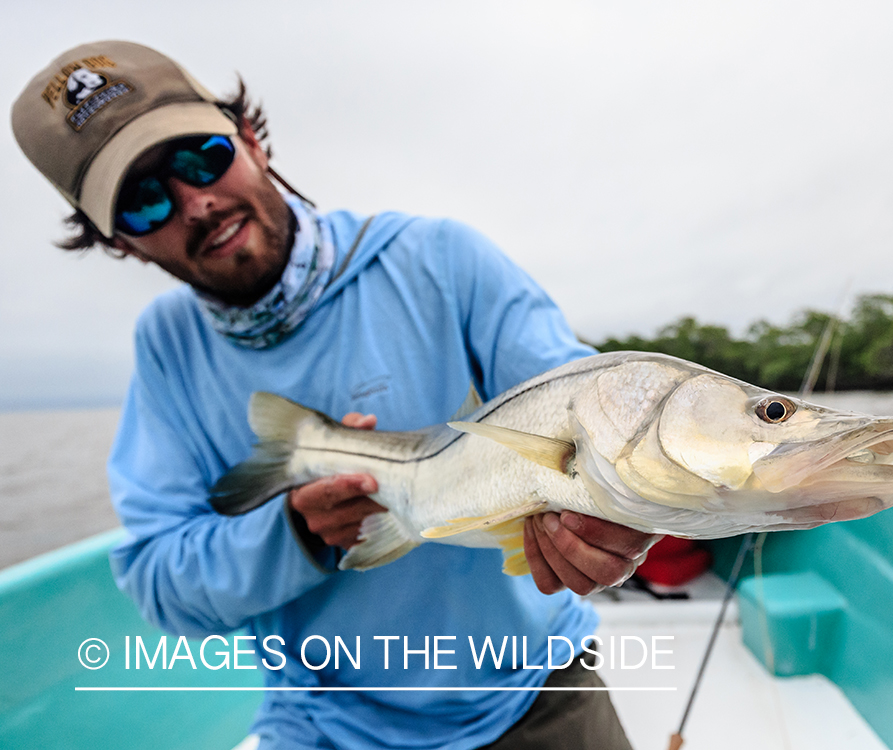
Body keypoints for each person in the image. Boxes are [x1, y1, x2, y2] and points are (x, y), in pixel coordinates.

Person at [12, 41, 659, 750]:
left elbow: (588, 420)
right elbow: (162, 586)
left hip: (535, 694)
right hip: (327, 727)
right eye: (143, 201)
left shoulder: (442, 259)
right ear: (119, 245)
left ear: (249, 140)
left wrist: (616, 515)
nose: (194, 201)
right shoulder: (167, 351)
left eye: (200, 156)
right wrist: (293, 531)